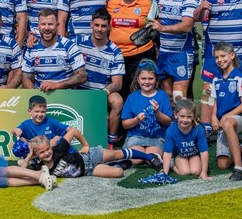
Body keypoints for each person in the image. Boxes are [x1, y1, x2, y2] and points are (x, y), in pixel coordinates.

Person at [76, 8, 125, 148]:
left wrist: (102, 94)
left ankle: (111, 141)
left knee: (117, 101)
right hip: (79, 91)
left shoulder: (115, 51)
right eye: (96, 25)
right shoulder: (78, 42)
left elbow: (117, 83)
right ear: (91, 24)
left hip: (101, 92)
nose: (99, 29)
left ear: (109, 27)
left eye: (103, 26)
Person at [151, 0, 198, 104]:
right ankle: (173, 125)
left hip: (181, 53)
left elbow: (187, 25)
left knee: (180, 96)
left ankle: (188, 125)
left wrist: (162, 28)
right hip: (164, 53)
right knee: (169, 95)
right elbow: (151, 18)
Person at [106, 0, 155, 103]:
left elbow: (154, 27)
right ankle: (120, 122)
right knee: (118, 90)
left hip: (139, 54)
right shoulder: (111, 4)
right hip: (116, 54)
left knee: (137, 90)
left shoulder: (147, 4)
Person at [24, 133, 161, 178]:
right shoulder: (40, 166)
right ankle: (119, 165)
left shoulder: (58, 150)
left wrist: (85, 145)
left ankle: (149, 157)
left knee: (117, 153)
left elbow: (73, 131)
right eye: (42, 152)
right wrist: (30, 156)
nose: (47, 153)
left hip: (89, 157)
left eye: (48, 149)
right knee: (118, 172)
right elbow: (23, 170)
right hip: (88, 171)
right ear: (37, 155)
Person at [209, 42, 242, 181]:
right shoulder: (216, 79)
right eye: (217, 57)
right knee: (223, 164)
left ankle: (239, 168)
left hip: (238, 119)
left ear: (232, 56)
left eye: (223, 56)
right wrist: (214, 117)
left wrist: (226, 116)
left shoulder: (239, 77)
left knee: (227, 123)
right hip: (222, 122)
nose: (220, 60)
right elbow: (215, 103)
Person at [21, 9, 87, 90]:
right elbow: (26, 78)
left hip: (65, 99)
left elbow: (82, 76)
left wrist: (56, 86)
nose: (47, 28)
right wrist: (36, 95)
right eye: (43, 24)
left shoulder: (69, 46)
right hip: (41, 98)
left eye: (50, 24)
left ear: (57, 25)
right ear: (38, 26)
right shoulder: (32, 48)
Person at [121, 60, 172, 162]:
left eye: (150, 78)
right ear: (138, 79)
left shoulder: (162, 96)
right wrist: (136, 120)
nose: (147, 82)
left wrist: (157, 113)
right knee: (136, 160)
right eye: (143, 78)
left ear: (156, 79)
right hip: (135, 137)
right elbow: (125, 124)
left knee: (152, 159)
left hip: (156, 138)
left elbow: (168, 121)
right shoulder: (132, 97)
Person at [161, 98, 210, 179]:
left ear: (194, 116)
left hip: (193, 154)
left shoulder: (198, 129)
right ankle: (172, 164)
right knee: (184, 172)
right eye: (182, 116)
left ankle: (196, 167)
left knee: (196, 171)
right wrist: (165, 173)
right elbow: (167, 152)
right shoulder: (171, 130)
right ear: (176, 115)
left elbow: (204, 151)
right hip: (179, 155)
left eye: (189, 117)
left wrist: (204, 172)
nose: (185, 120)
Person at [13, 95, 80, 145]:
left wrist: (61, 141)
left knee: (56, 138)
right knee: (22, 140)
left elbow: (69, 129)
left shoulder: (51, 122)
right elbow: (13, 130)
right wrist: (17, 130)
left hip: (50, 151)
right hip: (34, 151)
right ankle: (31, 160)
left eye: (43, 112)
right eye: (37, 111)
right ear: (29, 111)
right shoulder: (26, 124)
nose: (40, 114)